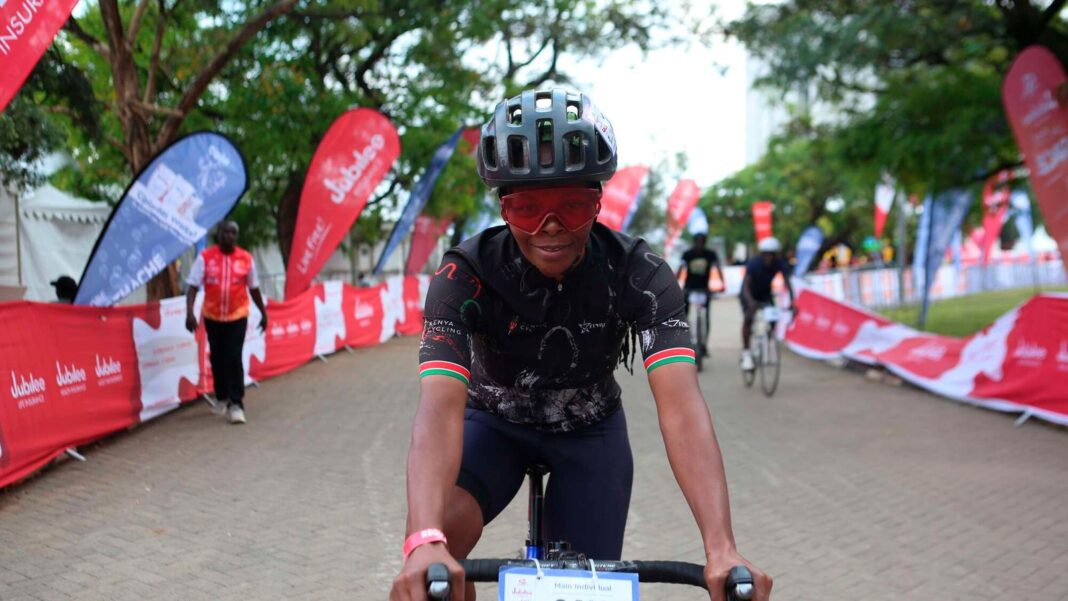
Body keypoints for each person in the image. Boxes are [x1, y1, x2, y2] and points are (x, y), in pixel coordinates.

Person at [390, 89, 772, 601]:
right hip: (493, 424)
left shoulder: (641, 275)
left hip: (590, 433)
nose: (552, 228)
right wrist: (423, 541)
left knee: (581, 594)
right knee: (437, 557)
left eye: (573, 205)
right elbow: (438, 410)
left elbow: (682, 409)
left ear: (600, 200)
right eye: (526, 208)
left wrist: (721, 546)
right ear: (503, 206)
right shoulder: (465, 274)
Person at [184, 221, 267, 424]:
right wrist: (190, 313)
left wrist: (263, 313)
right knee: (218, 358)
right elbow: (193, 286)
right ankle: (222, 397)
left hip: (237, 315)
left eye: (234, 232)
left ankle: (237, 404)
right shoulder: (205, 258)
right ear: (218, 234)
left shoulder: (246, 259)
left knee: (233, 356)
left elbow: (254, 288)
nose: (230, 235)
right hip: (212, 316)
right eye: (226, 232)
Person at [739, 237, 795, 371]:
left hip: (765, 295)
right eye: (766, 254)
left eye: (771, 254)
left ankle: (767, 342)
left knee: (773, 319)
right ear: (762, 254)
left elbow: (787, 282)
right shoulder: (753, 264)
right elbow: (745, 285)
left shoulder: (779, 264)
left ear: (775, 255)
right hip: (748, 294)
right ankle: (746, 353)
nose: (768, 257)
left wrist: (793, 301)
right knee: (748, 319)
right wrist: (751, 302)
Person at [676, 232, 724, 352]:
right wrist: (675, 284)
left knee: (706, 316)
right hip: (689, 288)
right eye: (698, 242)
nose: (700, 245)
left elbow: (718, 268)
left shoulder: (710, 254)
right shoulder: (687, 254)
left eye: (702, 242)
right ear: (694, 242)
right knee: (684, 313)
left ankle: (703, 343)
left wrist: (723, 283)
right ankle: (686, 338)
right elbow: (680, 269)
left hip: (704, 289)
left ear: (705, 243)